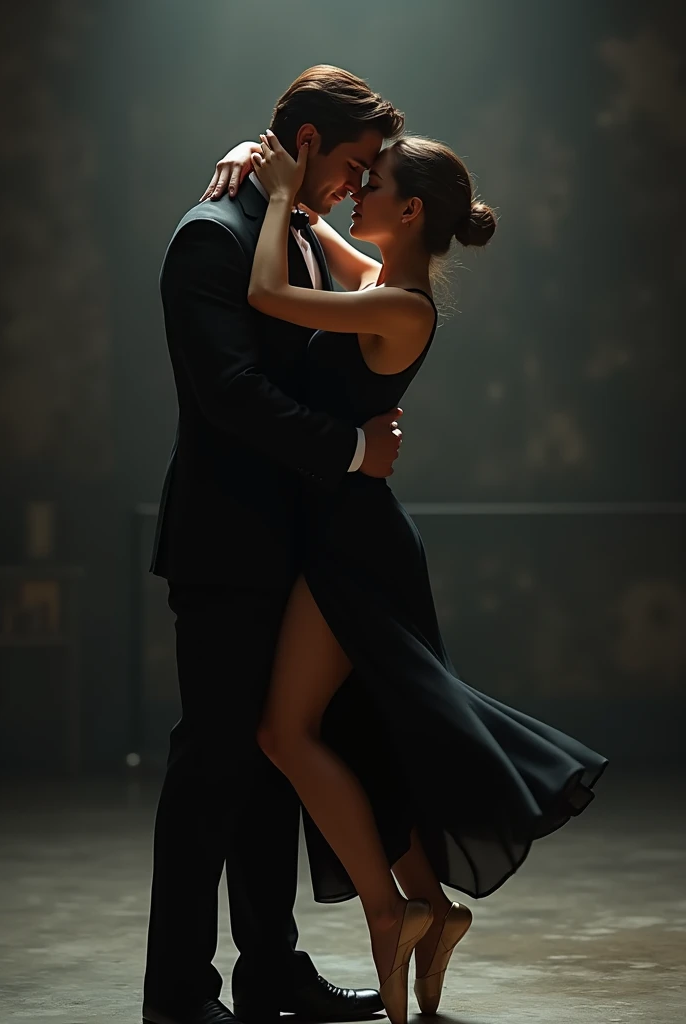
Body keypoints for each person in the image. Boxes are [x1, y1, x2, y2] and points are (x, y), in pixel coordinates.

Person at [202, 128, 608, 1024]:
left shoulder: (403, 309)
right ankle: (433, 910)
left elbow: (271, 291)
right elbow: (316, 220)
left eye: (374, 182)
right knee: (369, 734)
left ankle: (395, 913)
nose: (356, 192)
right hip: (345, 533)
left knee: (284, 732)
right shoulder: (382, 283)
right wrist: (258, 160)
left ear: (411, 209)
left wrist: (273, 200)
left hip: (357, 543)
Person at [143, 67, 407, 1024]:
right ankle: (176, 994)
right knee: (211, 763)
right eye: (350, 164)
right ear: (303, 146)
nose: (358, 183)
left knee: (266, 765)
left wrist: (280, 177)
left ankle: (269, 973)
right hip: (224, 544)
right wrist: (351, 448)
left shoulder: (292, 227)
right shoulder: (208, 239)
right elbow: (229, 393)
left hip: (293, 539)